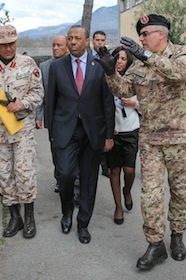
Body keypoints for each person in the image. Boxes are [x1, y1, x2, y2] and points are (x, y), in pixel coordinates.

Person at [96, 14, 186, 270]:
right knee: (150, 194)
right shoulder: (139, 65)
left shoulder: (182, 53)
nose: (140, 38)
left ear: (161, 34)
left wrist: (145, 55)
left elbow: (181, 75)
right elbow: (124, 90)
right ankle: (155, 244)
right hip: (151, 140)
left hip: (180, 139)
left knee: (180, 193)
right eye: (139, 35)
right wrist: (110, 73)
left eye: (145, 34)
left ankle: (177, 236)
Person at [46, 25, 115, 245]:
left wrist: (108, 135)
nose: (73, 42)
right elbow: (51, 100)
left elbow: (107, 102)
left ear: (87, 42)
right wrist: (52, 132)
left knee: (88, 180)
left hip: (92, 131)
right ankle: (67, 212)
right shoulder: (57, 67)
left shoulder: (99, 67)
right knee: (65, 175)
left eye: (77, 38)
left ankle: (83, 223)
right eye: (70, 38)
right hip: (66, 130)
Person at [0, 25, 44, 239]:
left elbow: (38, 92)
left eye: (12, 43)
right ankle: (15, 217)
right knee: (4, 176)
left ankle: (30, 217)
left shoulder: (28, 64)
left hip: (22, 130)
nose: (8, 48)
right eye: (4, 44)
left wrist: (22, 103)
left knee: (24, 173)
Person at [105, 46, 140, 225]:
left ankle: (127, 190)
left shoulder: (134, 80)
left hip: (131, 129)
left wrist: (134, 103)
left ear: (129, 62)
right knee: (114, 170)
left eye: (123, 58)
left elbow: (149, 104)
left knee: (129, 170)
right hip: (113, 132)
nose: (119, 61)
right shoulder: (106, 80)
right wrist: (107, 129)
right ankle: (118, 207)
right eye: (116, 58)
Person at [35, 35, 69, 193]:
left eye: (59, 45)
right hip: (53, 118)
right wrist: (38, 116)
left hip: (71, 116)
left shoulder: (73, 64)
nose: (55, 48)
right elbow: (41, 93)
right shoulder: (44, 66)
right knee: (56, 150)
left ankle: (74, 184)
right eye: (54, 45)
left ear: (67, 46)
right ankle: (60, 178)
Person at [91, 30, 111, 178]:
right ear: (92, 41)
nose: (100, 43)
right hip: (92, 102)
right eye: (97, 40)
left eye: (102, 40)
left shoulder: (110, 58)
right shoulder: (87, 59)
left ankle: (105, 166)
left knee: (105, 133)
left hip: (106, 99)